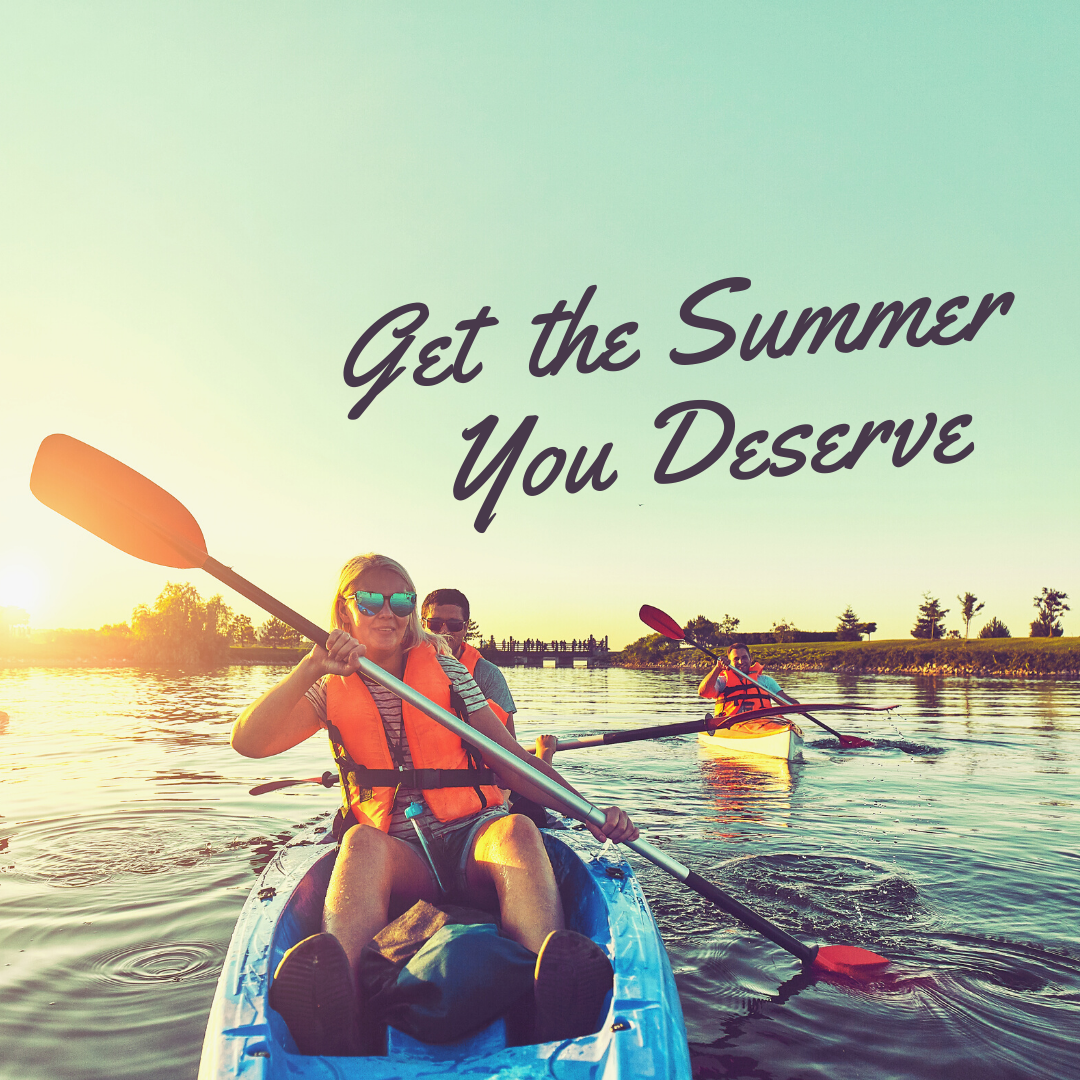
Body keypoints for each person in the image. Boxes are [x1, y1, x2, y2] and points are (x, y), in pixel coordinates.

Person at [231, 554, 637, 1055]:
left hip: (473, 840)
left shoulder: (446, 669)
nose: (388, 612)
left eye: (400, 599)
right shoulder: (325, 684)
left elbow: (512, 761)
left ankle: (544, 993)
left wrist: (589, 814)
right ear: (344, 610)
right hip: (403, 859)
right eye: (370, 599)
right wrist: (310, 664)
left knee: (517, 832)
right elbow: (248, 741)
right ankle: (344, 1011)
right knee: (359, 841)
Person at [421, 587, 550, 825]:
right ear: (422, 623)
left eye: (454, 625)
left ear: (466, 626)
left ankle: (545, 756)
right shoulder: (401, 670)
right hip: (421, 793)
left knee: (532, 815)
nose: (445, 632)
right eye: (436, 624)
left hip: (481, 786)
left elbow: (510, 752)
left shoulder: (487, 674)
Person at [698, 641, 791, 724]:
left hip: (762, 726)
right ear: (729, 662)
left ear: (750, 659)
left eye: (744, 658)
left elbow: (786, 701)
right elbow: (703, 692)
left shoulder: (765, 681)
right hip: (731, 728)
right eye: (736, 659)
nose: (741, 661)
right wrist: (717, 668)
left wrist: (799, 707)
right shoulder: (722, 682)